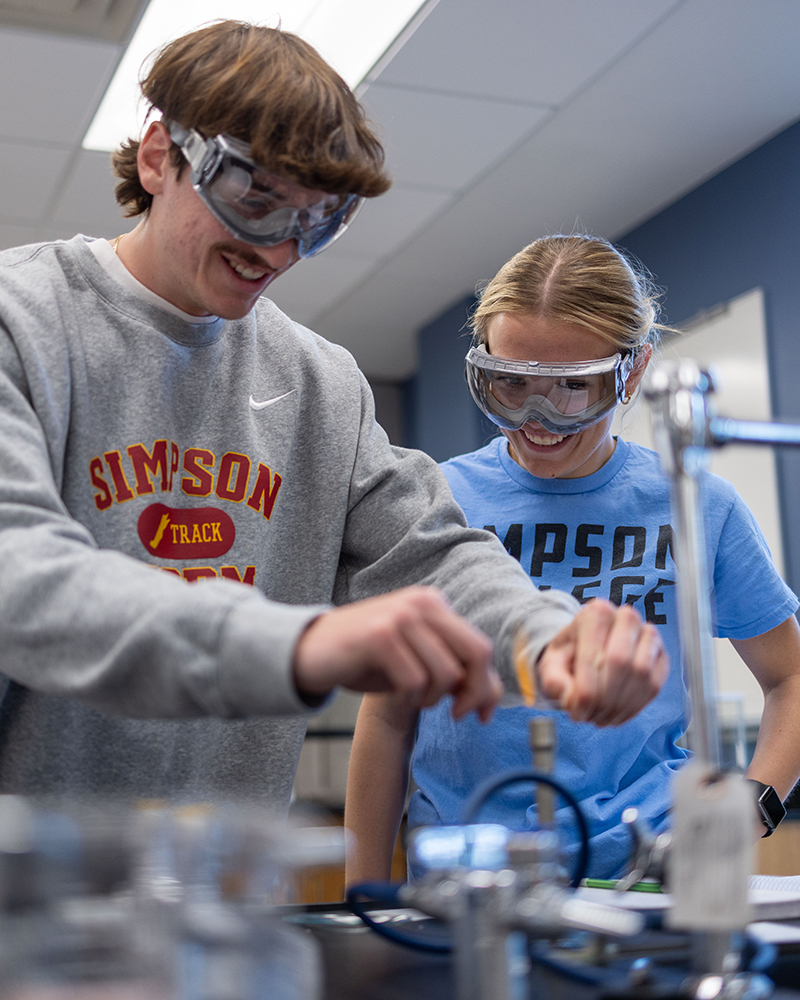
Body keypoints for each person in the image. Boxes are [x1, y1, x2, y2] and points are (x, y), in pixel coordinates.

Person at [0, 27, 666, 807]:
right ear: (159, 156)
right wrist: (303, 643)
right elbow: (24, 578)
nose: (279, 252)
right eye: (255, 201)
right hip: (29, 889)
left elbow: (431, 555)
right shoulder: (24, 320)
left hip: (228, 887)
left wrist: (551, 634)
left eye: (317, 224)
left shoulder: (320, 383)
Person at [345, 234, 800, 883]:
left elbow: (791, 678)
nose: (535, 417)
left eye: (570, 390)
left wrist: (755, 803)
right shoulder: (437, 500)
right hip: (469, 878)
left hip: (651, 867)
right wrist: (361, 898)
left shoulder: (695, 503)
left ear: (633, 372)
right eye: (509, 384)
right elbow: (389, 716)